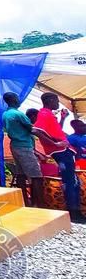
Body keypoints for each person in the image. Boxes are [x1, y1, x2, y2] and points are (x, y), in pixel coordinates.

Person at [35, 92, 82, 221]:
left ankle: (75, 211)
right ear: (49, 100)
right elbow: (36, 130)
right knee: (70, 182)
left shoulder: (49, 114)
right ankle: (74, 213)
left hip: (63, 150)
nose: (58, 103)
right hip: (61, 151)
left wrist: (62, 118)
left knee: (72, 181)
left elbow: (55, 131)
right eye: (56, 100)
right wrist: (54, 144)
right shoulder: (44, 114)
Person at [2, 93, 47, 208]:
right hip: (24, 146)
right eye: (17, 98)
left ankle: (24, 202)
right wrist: (51, 140)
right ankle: (40, 204)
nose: (19, 100)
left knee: (21, 174)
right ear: (14, 99)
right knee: (36, 175)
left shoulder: (5, 114)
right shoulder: (18, 114)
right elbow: (32, 129)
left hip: (15, 145)